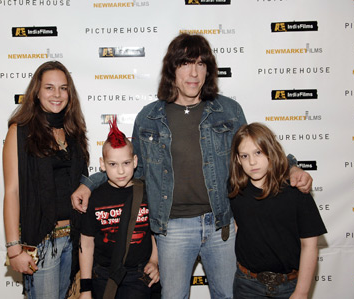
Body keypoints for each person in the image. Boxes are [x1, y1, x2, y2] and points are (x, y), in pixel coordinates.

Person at [71, 33, 313, 298]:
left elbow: (253, 151)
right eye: (185, 63)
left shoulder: (228, 110)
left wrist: (291, 168)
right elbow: (131, 167)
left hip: (222, 224)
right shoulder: (149, 117)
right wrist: (89, 183)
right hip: (172, 226)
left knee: (227, 295)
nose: (194, 72)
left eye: (201, 64)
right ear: (172, 70)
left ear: (208, 70)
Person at [3, 61, 89, 299]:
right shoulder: (20, 132)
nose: (57, 94)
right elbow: (12, 191)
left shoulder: (74, 132)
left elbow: (83, 181)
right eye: (49, 87)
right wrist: (14, 249)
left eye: (63, 88)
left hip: (74, 239)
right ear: (37, 92)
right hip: (42, 243)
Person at [228, 123, 327, 299]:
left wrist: (302, 292)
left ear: (270, 151)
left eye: (258, 152)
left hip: (289, 286)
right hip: (246, 285)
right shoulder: (235, 188)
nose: (252, 161)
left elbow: (309, 245)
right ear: (237, 159)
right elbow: (239, 226)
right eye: (245, 155)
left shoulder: (296, 189)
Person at [78, 118, 160, 299]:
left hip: (139, 276)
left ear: (135, 161)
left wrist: (155, 260)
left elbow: (156, 231)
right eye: (113, 164)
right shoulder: (95, 197)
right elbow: (86, 243)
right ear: (102, 164)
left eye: (126, 163)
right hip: (103, 276)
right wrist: (85, 288)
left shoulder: (146, 193)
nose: (121, 171)